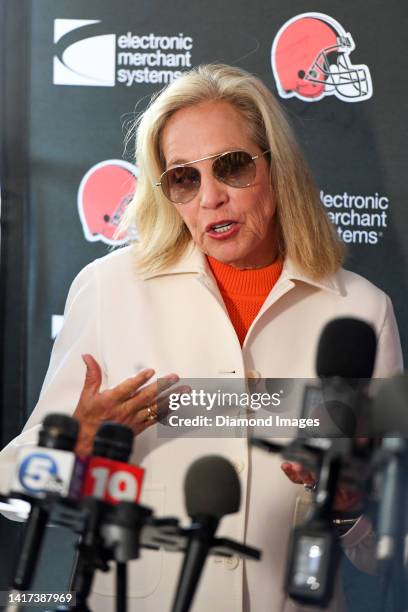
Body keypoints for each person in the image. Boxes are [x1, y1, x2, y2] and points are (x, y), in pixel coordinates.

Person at [0, 64, 403, 611]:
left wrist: (349, 503)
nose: (209, 197)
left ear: (276, 167)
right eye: (184, 178)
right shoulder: (107, 289)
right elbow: (13, 488)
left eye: (232, 167)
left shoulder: (361, 309)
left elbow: (383, 551)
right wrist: (68, 447)